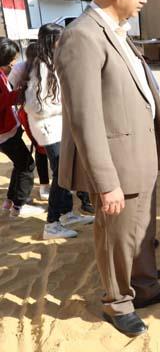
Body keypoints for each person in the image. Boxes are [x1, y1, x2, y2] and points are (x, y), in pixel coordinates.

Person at [56, 0, 160, 337]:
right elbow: (85, 117)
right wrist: (105, 180)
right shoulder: (83, 35)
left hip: (140, 154)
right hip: (116, 162)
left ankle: (144, 287)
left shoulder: (116, 30)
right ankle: (117, 302)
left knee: (142, 229)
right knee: (116, 235)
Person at [23, 24, 95, 239]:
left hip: (59, 128)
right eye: (59, 39)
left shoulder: (52, 64)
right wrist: (65, 106)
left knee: (67, 172)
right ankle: (52, 224)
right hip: (49, 129)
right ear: (50, 41)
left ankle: (66, 214)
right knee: (61, 176)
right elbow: (35, 106)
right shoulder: (41, 68)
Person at [0, 38, 38, 218]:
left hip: (9, 130)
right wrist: (21, 93)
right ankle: (19, 206)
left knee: (19, 164)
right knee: (27, 166)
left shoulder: (1, 73)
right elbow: (4, 100)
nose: (14, 62)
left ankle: (10, 201)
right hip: (4, 133)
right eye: (11, 59)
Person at [9, 43, 51, 200]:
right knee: (43, 151)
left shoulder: (47, 66)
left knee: (48, 151)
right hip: (32, 114)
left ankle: (48, 185)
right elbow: (11, 90)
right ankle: (45, 186)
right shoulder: (23, 68)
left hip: (41, 114)